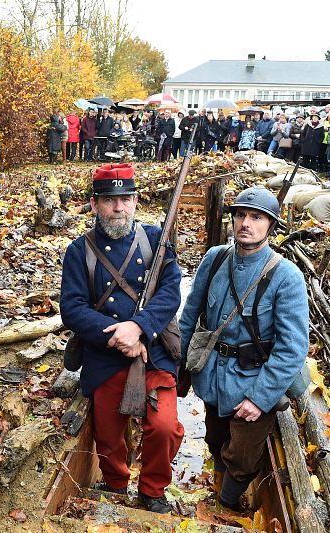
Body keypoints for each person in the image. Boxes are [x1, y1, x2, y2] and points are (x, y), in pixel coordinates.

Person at [60, 163, 183, 514]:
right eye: (110, 200)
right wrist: (118, 336)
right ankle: (115, 483)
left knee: (164, 427)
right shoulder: (78, 251)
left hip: (153, 350)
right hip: (105, 354)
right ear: (94, 203)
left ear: (136, 201)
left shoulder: (155, 241)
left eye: (126, 199)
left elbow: (171, 293)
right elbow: (73, 309)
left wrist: (139, 327)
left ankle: (153, 489)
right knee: (108, 432)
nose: (119, 208)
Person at [179, 186, 308, 512]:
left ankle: (226, 503)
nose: (245, 223)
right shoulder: (216, 257)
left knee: (243, 455)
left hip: (255, 379)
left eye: (256, 217)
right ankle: (218, 481)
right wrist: (174, 365)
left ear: (270, 225)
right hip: (211, 374)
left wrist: (259, 398)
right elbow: (189, 315)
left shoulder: (286, 276)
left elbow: (292, 348)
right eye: (240, 215)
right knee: (215, 439)